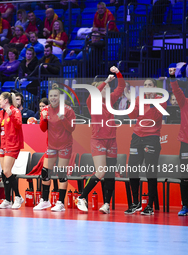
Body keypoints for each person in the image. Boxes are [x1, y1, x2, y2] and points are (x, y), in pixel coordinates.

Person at [76, 67, 125, 213]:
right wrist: (105, 81)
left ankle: (106, 205)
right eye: (105, 87)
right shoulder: (93, 103)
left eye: (109, 87)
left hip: (112, 140)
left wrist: (118, 73)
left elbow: (122, 86)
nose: (107, 88)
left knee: (109, 173)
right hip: (98, 140)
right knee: (101, 172)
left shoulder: (111, 100)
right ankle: (81, 197)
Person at [124, 78, 167, 215]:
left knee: (150, 172)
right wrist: (130, 102)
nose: (147, 87)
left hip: (152, 138)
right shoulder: (139, 99)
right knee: (132, 170)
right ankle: (135, 203)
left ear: (155, 87)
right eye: (145, 85)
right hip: (137, 137)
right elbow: (132, 115)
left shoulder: (161, 99)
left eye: (150, 85)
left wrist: (152, 101)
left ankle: (149, 205)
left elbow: (155, 117)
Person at [33, 85, 76, 211]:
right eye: (51, 96)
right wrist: (44, 119)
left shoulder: (68, 110)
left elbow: (72, 128)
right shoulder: (45, 110)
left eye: (55, 96)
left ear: (60, 97)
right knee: (45, 172)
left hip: (65, 145)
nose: (53, 98)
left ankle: (60, 203)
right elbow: (42, 129)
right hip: (51, 145)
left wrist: (63, 118)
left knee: (62, 174)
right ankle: (45, 201)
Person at [169, 67, 188, 216]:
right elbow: (176, 90)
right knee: (185, 176)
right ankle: (185, 206)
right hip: (186, 144)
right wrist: (172, 76)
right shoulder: (184, 103)